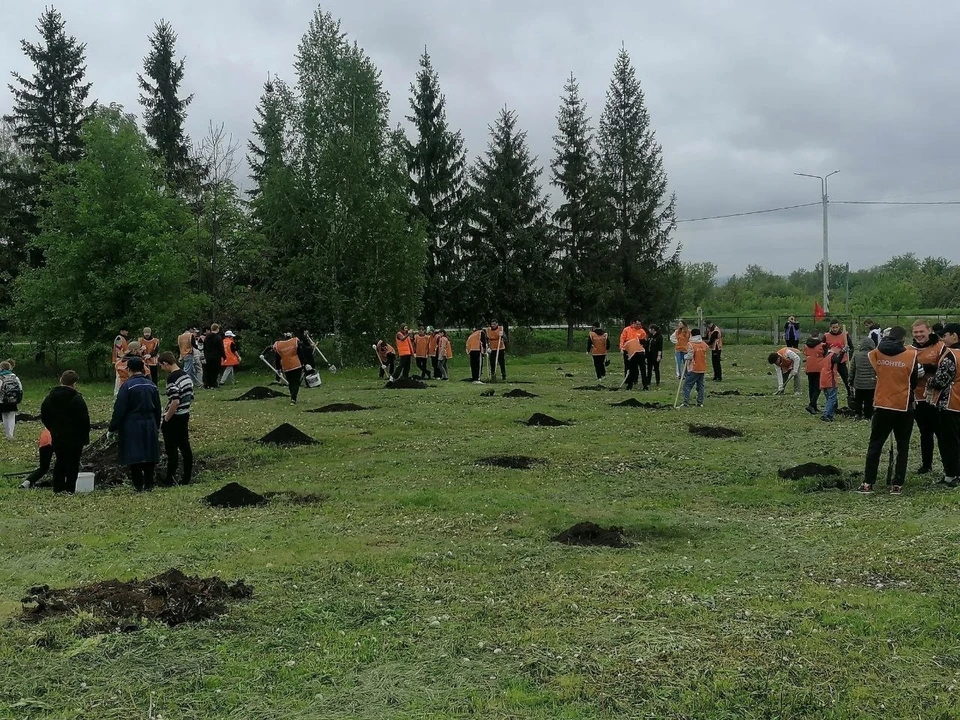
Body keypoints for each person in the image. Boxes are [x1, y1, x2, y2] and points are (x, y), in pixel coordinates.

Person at [856, 327, 919, 495]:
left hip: (882, 405)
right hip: (904, 405)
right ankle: (897, 484)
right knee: (902, 446)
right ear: (903, 339)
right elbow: (913, 381)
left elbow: (876, 373)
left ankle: (868, 483)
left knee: (875, 445)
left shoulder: (876, 353)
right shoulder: (911, 356)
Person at [109, 357, 161, 492]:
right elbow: (158, 408)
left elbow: (119, 409)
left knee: (134, 454)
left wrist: (113, 427)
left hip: (132, 423)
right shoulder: (152, 385)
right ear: (143, 369)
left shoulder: (127, 386)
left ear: (129, 369)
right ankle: (149, 484)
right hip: (149, 421)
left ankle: (138, 485)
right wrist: (157, 424)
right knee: (150, 452)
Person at [40, 370, 91, 494]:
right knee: (73, 463)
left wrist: (52, 428)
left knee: (60, 461)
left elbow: (44, 415)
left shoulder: (49, 398)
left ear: (61, 381)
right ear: (74, 383)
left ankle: (58, 488)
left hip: (57, 434)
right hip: (75, 436)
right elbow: (84, 419)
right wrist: (84, 434)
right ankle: (70, 488)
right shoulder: (77, 399)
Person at [927, 322, 960, 488]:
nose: (943, 338)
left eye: (945, 335)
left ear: (954, 336)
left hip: (949, 403)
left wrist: (929, 380)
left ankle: (951, 475)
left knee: (948, 441)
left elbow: (941, 380)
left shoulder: (951, 355)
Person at [912, 319, 944, 475]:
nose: (919, 335)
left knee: (942, 432)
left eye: (921, 332)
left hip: (937, 397)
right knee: (925, 433)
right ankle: (926, 465)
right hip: (919, 397)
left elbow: (947, 367)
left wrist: (926, 368)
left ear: (929, 331)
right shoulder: (910, 349)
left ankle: (950, 467)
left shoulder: (940, 346)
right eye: (916, 332)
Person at [158, 352, 194, 486]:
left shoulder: (172, 378)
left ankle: (169, 478)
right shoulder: (186, 376)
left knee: (171, 449)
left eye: (161, 366)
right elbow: (190, 396)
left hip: (175, 417)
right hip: (185, 414)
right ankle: (187, 477)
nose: (162, 369)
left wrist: (166, 419)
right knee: (185, 446)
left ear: (165, 363)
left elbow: (175, 401)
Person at [849, 337, 879, 420]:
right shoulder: (874, 355)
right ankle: (868, 416)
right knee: (869, 401)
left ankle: (858, 414)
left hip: (858, 383)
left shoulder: (856, 355)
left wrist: (850, 380)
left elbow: (852, 370)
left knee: (858, 399)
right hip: (871, 383)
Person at [824, 319, 855, 394]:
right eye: (833, 327)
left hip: (841, 361)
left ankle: (850, 394)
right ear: (830, 327)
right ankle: (830, 396)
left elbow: (851, 347)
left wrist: (848, 357)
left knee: (847, 379)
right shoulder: (826, 336)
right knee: (830, 380)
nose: (835, 329)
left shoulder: (844, 335)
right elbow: (823, 349)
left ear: (839, 327)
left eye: (836, 327)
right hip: (831, 363)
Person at [680, 329, 708, 408]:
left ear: (692, 335)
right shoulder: (703, 344)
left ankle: (686, 403)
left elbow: (690, 356)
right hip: (702, 367)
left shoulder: (691, 344)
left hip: (693, 368)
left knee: (687, 385)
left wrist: (685, 357)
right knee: (700, 386)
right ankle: (700, 402)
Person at [273, 332, 303, 404]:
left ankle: (292, 396)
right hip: (296, 365)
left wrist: (278, 368)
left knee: (291, 382)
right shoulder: (295, 342)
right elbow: (301, 353)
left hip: (286, 366)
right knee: (296, 382)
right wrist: (305, 363)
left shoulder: (278, 345)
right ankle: (293, 398)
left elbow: (277, 358)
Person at [820, 344, 847, 422]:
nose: (839, 351)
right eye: (839, 349)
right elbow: (838, 361)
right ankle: (826, 414)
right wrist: (843, 352)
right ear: (836, 348)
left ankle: (830, 415)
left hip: (823, 379)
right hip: (830, 379)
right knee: (832, 398)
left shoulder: (827, 355)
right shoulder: (832, 355)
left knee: (829, 398)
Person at [619, 320, 647, 388]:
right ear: (633, 323)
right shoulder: (627, 330)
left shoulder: (642, 331)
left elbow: (644, 342)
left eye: (640, 325)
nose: (639, 326)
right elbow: (622, 339)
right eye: (637, 324)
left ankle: (638, 381)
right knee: (628, 366)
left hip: (638, 352)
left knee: (640, 368)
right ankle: (628, 381)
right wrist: (622, 348)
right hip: (628, 350)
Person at [803, 334, 826, 415]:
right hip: (818, 368)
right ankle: (811, 405)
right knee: (817, 388)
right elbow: (825, 354)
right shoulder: (821, 345)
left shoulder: (807, 345)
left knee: (811, 388)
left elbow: (805, 353)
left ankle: (813, 406)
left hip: (809, 367)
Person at [1, 359, 23, 440]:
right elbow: (20, 388)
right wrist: (19, 398)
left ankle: (7, 433)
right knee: (11, 416)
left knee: (4, 416)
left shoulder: (0, 377)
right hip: (13, 399)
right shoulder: (15, 377)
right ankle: (11, 434)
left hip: (2, 400)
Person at [203, 324, 225, 389]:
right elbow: (221, 347)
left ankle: (207, 384)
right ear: (217, 329)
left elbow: (205, 347)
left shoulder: (207, 337)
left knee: (208, 370)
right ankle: (214, 383)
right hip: (216, 356)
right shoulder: (218, 337)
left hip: (208, 356)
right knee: (215, 370)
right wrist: (223, 356)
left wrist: (205, 355)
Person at [112, 328, 130, 396]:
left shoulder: (122, 338)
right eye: (125, 330)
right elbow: (118, 351)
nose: (127, 332)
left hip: (121, 359)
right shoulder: (119, 338)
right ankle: (117, 393)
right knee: (119, 377)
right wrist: (127, 354)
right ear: (121, 331)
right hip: (119, 360)